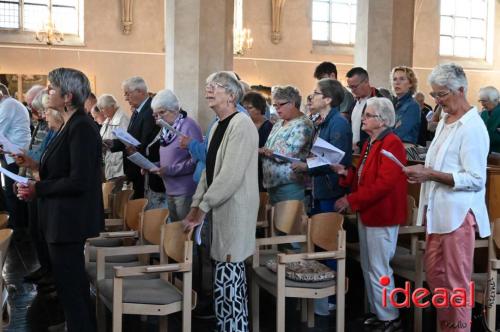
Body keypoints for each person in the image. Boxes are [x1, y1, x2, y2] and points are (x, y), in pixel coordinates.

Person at [404, 63, 490, 332]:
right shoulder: (444, 121)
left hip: (458, 215)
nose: (437, 102)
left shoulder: (472, 127)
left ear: (461, 90)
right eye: (435, 95)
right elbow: (437, 163)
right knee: (437, 277)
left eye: (442, 95)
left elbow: (476, 179)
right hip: (438, 212)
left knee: (456, 283)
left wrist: (429, 173)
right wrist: (424, 170)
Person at [17, 67, 104, 332]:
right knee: (70, 285)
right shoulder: (69, 123)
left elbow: (80, 181)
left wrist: (38, 190)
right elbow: (60, 168)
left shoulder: (82, 127)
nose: (47, 91)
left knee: (72, 285)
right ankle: (74, 324)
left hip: (69, 220)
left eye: (52, 88)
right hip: (60, 218)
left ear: (67, 96)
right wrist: (35, 170)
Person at [183, 71, 259, 331]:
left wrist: (203, 207)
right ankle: (226, 325)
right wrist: (196, 203)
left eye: (215, 86)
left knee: (231, 271)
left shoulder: (242, 124)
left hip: (235, 209)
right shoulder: (217, 124)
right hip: (219, 206)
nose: (208, 89)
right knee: (222, 273)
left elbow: (230, 175)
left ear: (231, 95)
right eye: (207, 85)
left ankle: (235, 327)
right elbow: (209, 168)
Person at [331, 97, 407, 332]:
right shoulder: (371, 142)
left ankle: (391, 317)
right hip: (368, 212)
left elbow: (384, 184)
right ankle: (378, 312)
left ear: (382, 120)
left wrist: (351, 199)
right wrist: (346, 173)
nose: (363, 118)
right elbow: (364, 177)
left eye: (368, 115)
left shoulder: (392, 143)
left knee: (379, 267)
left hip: (382, 214)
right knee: (369, 266)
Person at [291, 78, 352, 315]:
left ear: (327, 99)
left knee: (329, 243)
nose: (311, 97)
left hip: (331, 189)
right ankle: (321, 294)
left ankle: (331, 296)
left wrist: (306, 166)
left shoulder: (338, 123)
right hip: (320, 188)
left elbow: (335, 159)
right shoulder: (322, 121)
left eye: (315, 93)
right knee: (319, 242)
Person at [149, 89, 202, 220]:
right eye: (156, 114)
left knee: (184, 233)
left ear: (175, 109)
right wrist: (152, 166)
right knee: (175, 231)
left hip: (185, 190)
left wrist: (169, 170)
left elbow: (196, 161)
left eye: (162, 112)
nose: (159, 118)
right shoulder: (166, 129)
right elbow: (168, 160)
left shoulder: (188, 125)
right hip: (170, 189)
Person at [106, 76, 159, 199]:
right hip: (135, 169)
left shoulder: (150, 111)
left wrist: (133, 148)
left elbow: (144, 142)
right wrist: (113, 143)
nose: (125, 98)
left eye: (127, 94)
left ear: (139, 91)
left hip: (143, 170)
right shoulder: (137, 111)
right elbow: (131, 138)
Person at [261, 86, 314, 205]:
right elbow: (268, 146)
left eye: (280, 105)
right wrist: (265, 150)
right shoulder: (279, 123)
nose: (277, 109)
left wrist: (265, 151)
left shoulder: (303, 124)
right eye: (275, 105)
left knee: (288, 222)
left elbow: (286, 153)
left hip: (289, 184)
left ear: (293, 103)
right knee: (274, 222)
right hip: (272, 182)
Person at [0, 83, 31, 232]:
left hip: (16, 154)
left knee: (14, 193)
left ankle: (17, 229)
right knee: (13, 192)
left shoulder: (8, 105)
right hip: (13, 154)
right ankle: (17, 227)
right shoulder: (9, 104)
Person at [345, 67, 384, 152]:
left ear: (366, 82)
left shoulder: (379, 101)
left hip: (371, 150)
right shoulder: (354, 102)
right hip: (354, 152)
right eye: (350, 87)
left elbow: (380, 130)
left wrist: (360, 145)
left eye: (354, 87)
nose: (352, 90)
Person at [242, 91, 273, 192]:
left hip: (262, 174)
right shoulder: (243, 125)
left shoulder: (269, 127)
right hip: (245, 171)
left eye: (250, 108)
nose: (246, 111)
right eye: (244, 108)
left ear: (259, 108)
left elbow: (270, 151)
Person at [98, 94, 130, 187]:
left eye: (103, 108)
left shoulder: (122, 119)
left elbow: (128, 143)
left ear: (112, 106)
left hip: (119, 168)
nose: (101, 111)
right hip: (109, 165)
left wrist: (111, 143)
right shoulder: (107, 121)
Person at [390, 66, 421, 144]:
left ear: (410, 83)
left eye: (402, 79)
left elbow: (399, 133)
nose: (397, 82)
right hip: (390, 147)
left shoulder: (413, 106)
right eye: (394, 79)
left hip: (403, 149)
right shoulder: (392, 104)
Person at [478, 86, 500, 153]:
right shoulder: (483, 113)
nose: (482, 104)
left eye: (484, 101)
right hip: (484, 152)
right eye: (480, 101)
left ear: (495, 100)